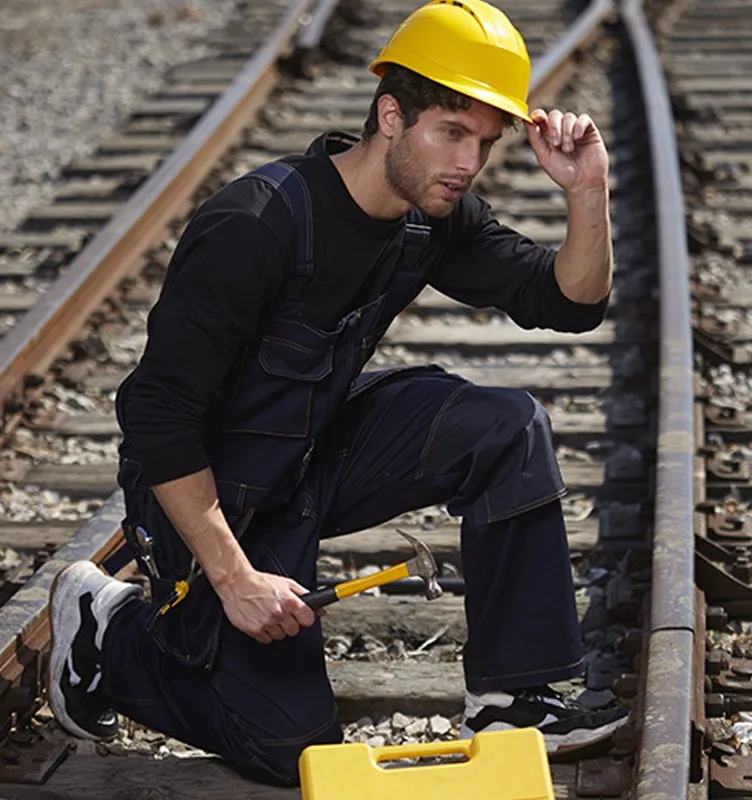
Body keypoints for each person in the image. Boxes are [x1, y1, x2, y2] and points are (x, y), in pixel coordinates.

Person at [47, 0, 624, 786]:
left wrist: (587, 192)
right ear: (391, 114)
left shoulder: (433, 217)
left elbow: (569, 301)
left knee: (508, 427)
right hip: (218, 490)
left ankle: (510, 700)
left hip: (318, 450)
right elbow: (156, 415)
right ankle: (111, 635)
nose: (468, 162)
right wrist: (234, 576)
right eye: (450, 132)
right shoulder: (257, 223)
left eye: (484, 143)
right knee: (296, 750)